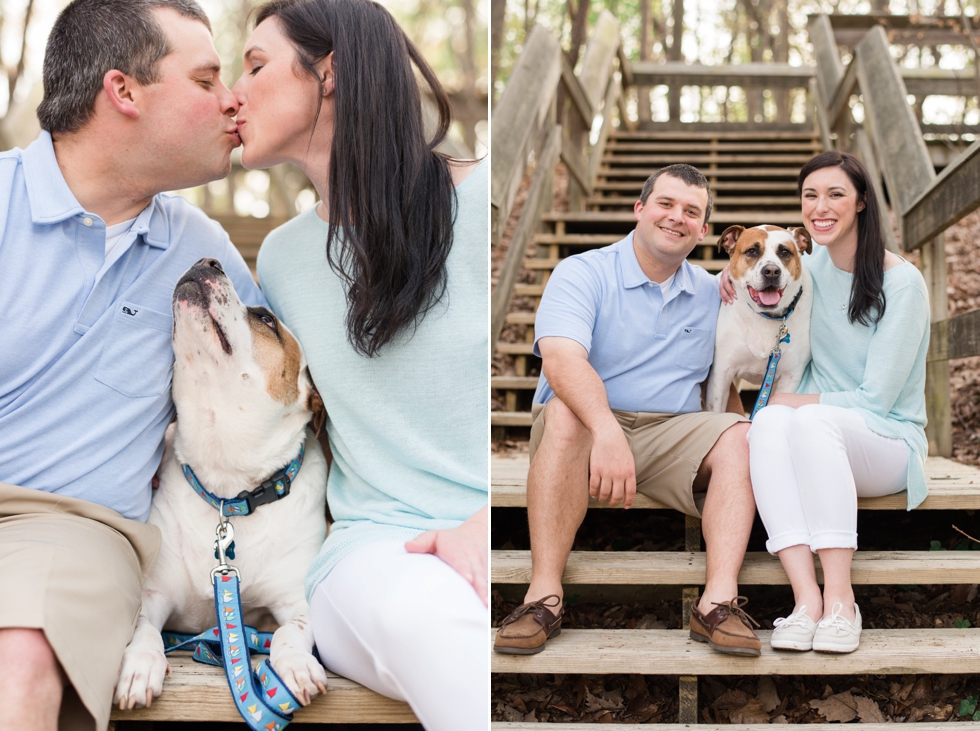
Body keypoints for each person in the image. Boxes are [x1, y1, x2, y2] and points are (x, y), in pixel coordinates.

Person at [0, 1, 264, 729]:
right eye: (208, 78)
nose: (232, 99)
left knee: (18, 651)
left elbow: (293, 391)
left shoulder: (203, 259)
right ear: (124, 92)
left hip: (68, 526)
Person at [230, 1, 487, 728]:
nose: (233, 92)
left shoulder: (482, 202)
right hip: (375, 554)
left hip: (496, 525)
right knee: (423, 614)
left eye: (255, 66)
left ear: (330, 72)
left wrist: (483, 520)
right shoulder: (279, 258)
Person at [493, 164, 763, 658]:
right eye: (666, 204)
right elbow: (560, 361)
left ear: (703, 231)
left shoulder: (713, 292)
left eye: (691, 212)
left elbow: (725, 376)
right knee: (566, 414)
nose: (676, 217)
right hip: (582, 427)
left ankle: (717, 604)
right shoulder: (582, 271)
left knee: (743, 434)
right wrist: (608, 431)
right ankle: (542, 599)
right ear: (640, 209)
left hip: (671, 433)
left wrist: (748, 436)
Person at [722, 150, 929, 653]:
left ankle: (841, 601)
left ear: (861, 202)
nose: (821, 205)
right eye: (810, 195)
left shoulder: (901, 283)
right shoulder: (804, 263)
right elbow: (757, 268)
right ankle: (805, 601)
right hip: (815, 430)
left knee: (797, 418)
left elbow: (876, 400)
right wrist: (724, 279)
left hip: (888, 440)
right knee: (765, 427)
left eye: (836, 193)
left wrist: (792, 402)